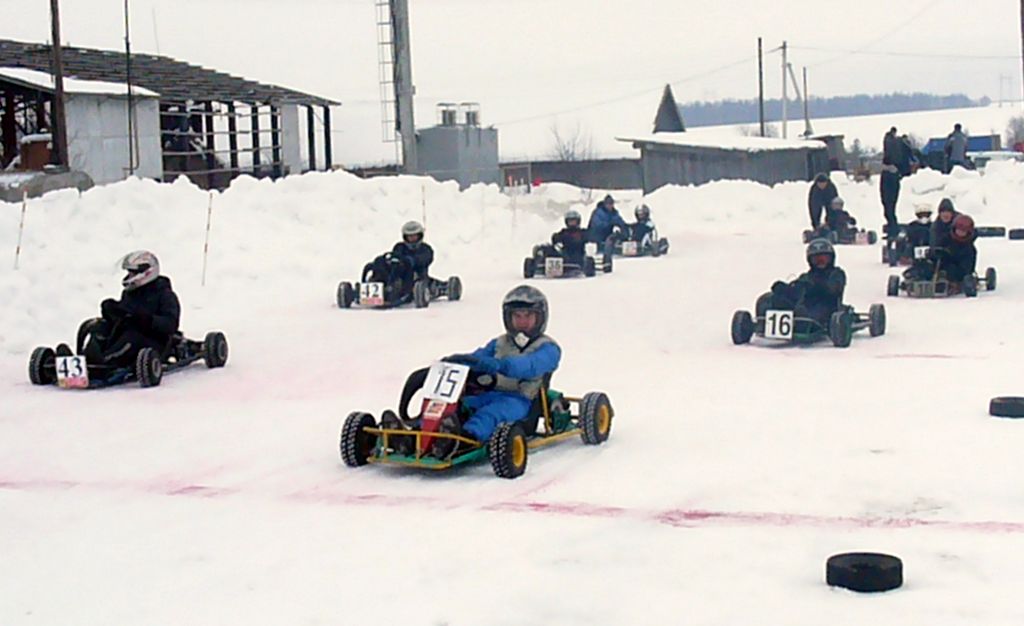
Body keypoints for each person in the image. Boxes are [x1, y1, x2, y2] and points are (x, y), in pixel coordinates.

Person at [430, 285, 562, 458]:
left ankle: (463, 441)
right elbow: (478, 358)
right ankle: (416, 436)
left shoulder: (548, 348)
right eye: (517, 316)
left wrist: (500, 365)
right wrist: (459, 361)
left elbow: (530, 365)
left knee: (491, 414)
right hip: (490, 393)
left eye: (528, 316)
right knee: (458, 406)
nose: (522, 322)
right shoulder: (500, 343)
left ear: (540, 318)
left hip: (521, 401)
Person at [69, 251, 181, 370]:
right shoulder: (130, 293)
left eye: (132, 273)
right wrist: (112, 310)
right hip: (126, 333)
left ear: (146, 272)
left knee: (132, 337)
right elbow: (125, 314)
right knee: (98, 327)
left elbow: (170, 324)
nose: (130, 276)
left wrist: (146, 319)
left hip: (151, 339)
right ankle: (83, 358)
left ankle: (103, 362)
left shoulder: (165, 295)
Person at [757, 239, 846, 327]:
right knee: (767, 299)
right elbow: (796, 290)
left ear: (831, 259)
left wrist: (812, 288)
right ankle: (763, 323)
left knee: (804, 312)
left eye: (823, 259)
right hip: (803, 305)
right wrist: (785, 289)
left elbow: (833, 289)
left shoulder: (837, 274)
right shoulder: (806, 276)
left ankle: (801, 323)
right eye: (817, 259)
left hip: (825, 305)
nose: (820, 262)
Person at [361, 221, 435, 302]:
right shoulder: (400, 247)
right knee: (379, 261)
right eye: (409, 236)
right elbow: (395, 256)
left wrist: (412, 260)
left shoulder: (425, 249)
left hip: (415, 274)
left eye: (414, 236)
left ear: (420, 236)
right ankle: (375, 286)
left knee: (408, 268)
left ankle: (401, 290)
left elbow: (425, 259)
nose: (412, 238)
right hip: (398, 273)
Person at [934, 214, 977, 284]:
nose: (960, 232)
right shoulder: (946, 239)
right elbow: (936, 248)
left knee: (952, 270)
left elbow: (967, 267)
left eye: (963, 231)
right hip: (941, 266)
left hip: (958, 271)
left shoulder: (969, 248)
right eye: (958, 230)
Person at [586, 194, 628, 260]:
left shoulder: (614, 213)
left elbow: (620, 221)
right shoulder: (598, 212)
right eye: (608, 204)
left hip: (610, 234)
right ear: (605, 204)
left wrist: (623, 226)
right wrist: (610, 225)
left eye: (611, 204)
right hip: (598, 235)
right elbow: (597, 225)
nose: (610, 206)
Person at [880, 156, 901, 238]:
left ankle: (893, 231)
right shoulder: (891, 173)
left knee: (889, 212)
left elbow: (886, 187)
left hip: (889, 196)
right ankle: (892, 230)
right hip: (888, 196)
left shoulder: (889, 174)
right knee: (888, 212)